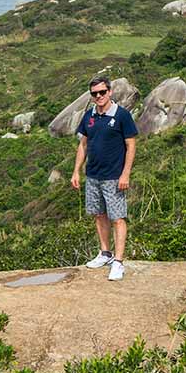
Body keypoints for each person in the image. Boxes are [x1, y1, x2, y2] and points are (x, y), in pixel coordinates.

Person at [70, 76, 138, 280]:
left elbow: (131, 146)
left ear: (109, 92)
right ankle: (105, 253)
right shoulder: (89, 116)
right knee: (99, 215)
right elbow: (83, 144)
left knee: (117, 218)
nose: (99, 96)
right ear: (91, 96)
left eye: (102, 92)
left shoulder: (122, 115)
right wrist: (76, 171)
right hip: (93, 175)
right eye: (94, 93)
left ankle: (118, 262)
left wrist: (125, 173)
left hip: (113, 177)